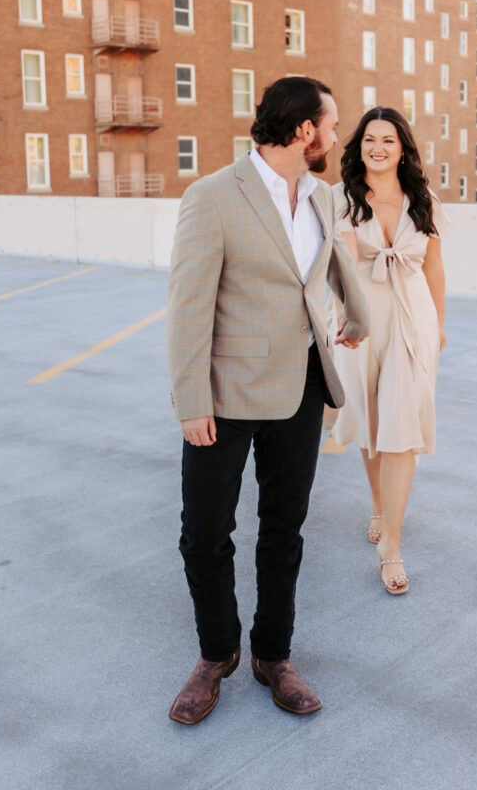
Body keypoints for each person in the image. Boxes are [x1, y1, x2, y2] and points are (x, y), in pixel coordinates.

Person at [166, 76, 369, 725]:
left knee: (283, 531)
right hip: (223, 394)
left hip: (302, 386)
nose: (338, 136)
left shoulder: (324, 198)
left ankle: (271, 656)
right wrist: (190, 398)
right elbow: (189, 305)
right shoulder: (212, 197)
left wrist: (356, 316)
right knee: (204, 533)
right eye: (331, 125)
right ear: (304, 130)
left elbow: (332, 264)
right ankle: (216, 653)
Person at [325, 107, 449, 596]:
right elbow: (343, 263)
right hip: (362, 317)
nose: (378, 147)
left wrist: (439, 325)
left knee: (402, 426)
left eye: (389, 140)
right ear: (359, 147)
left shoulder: (425, 200)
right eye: (369, 139)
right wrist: (346, 317)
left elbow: (435, 269)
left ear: (403, 149)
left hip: (413, 318)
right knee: (371, 421)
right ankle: (379, 506)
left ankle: (391, 546)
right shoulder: (340, 198)